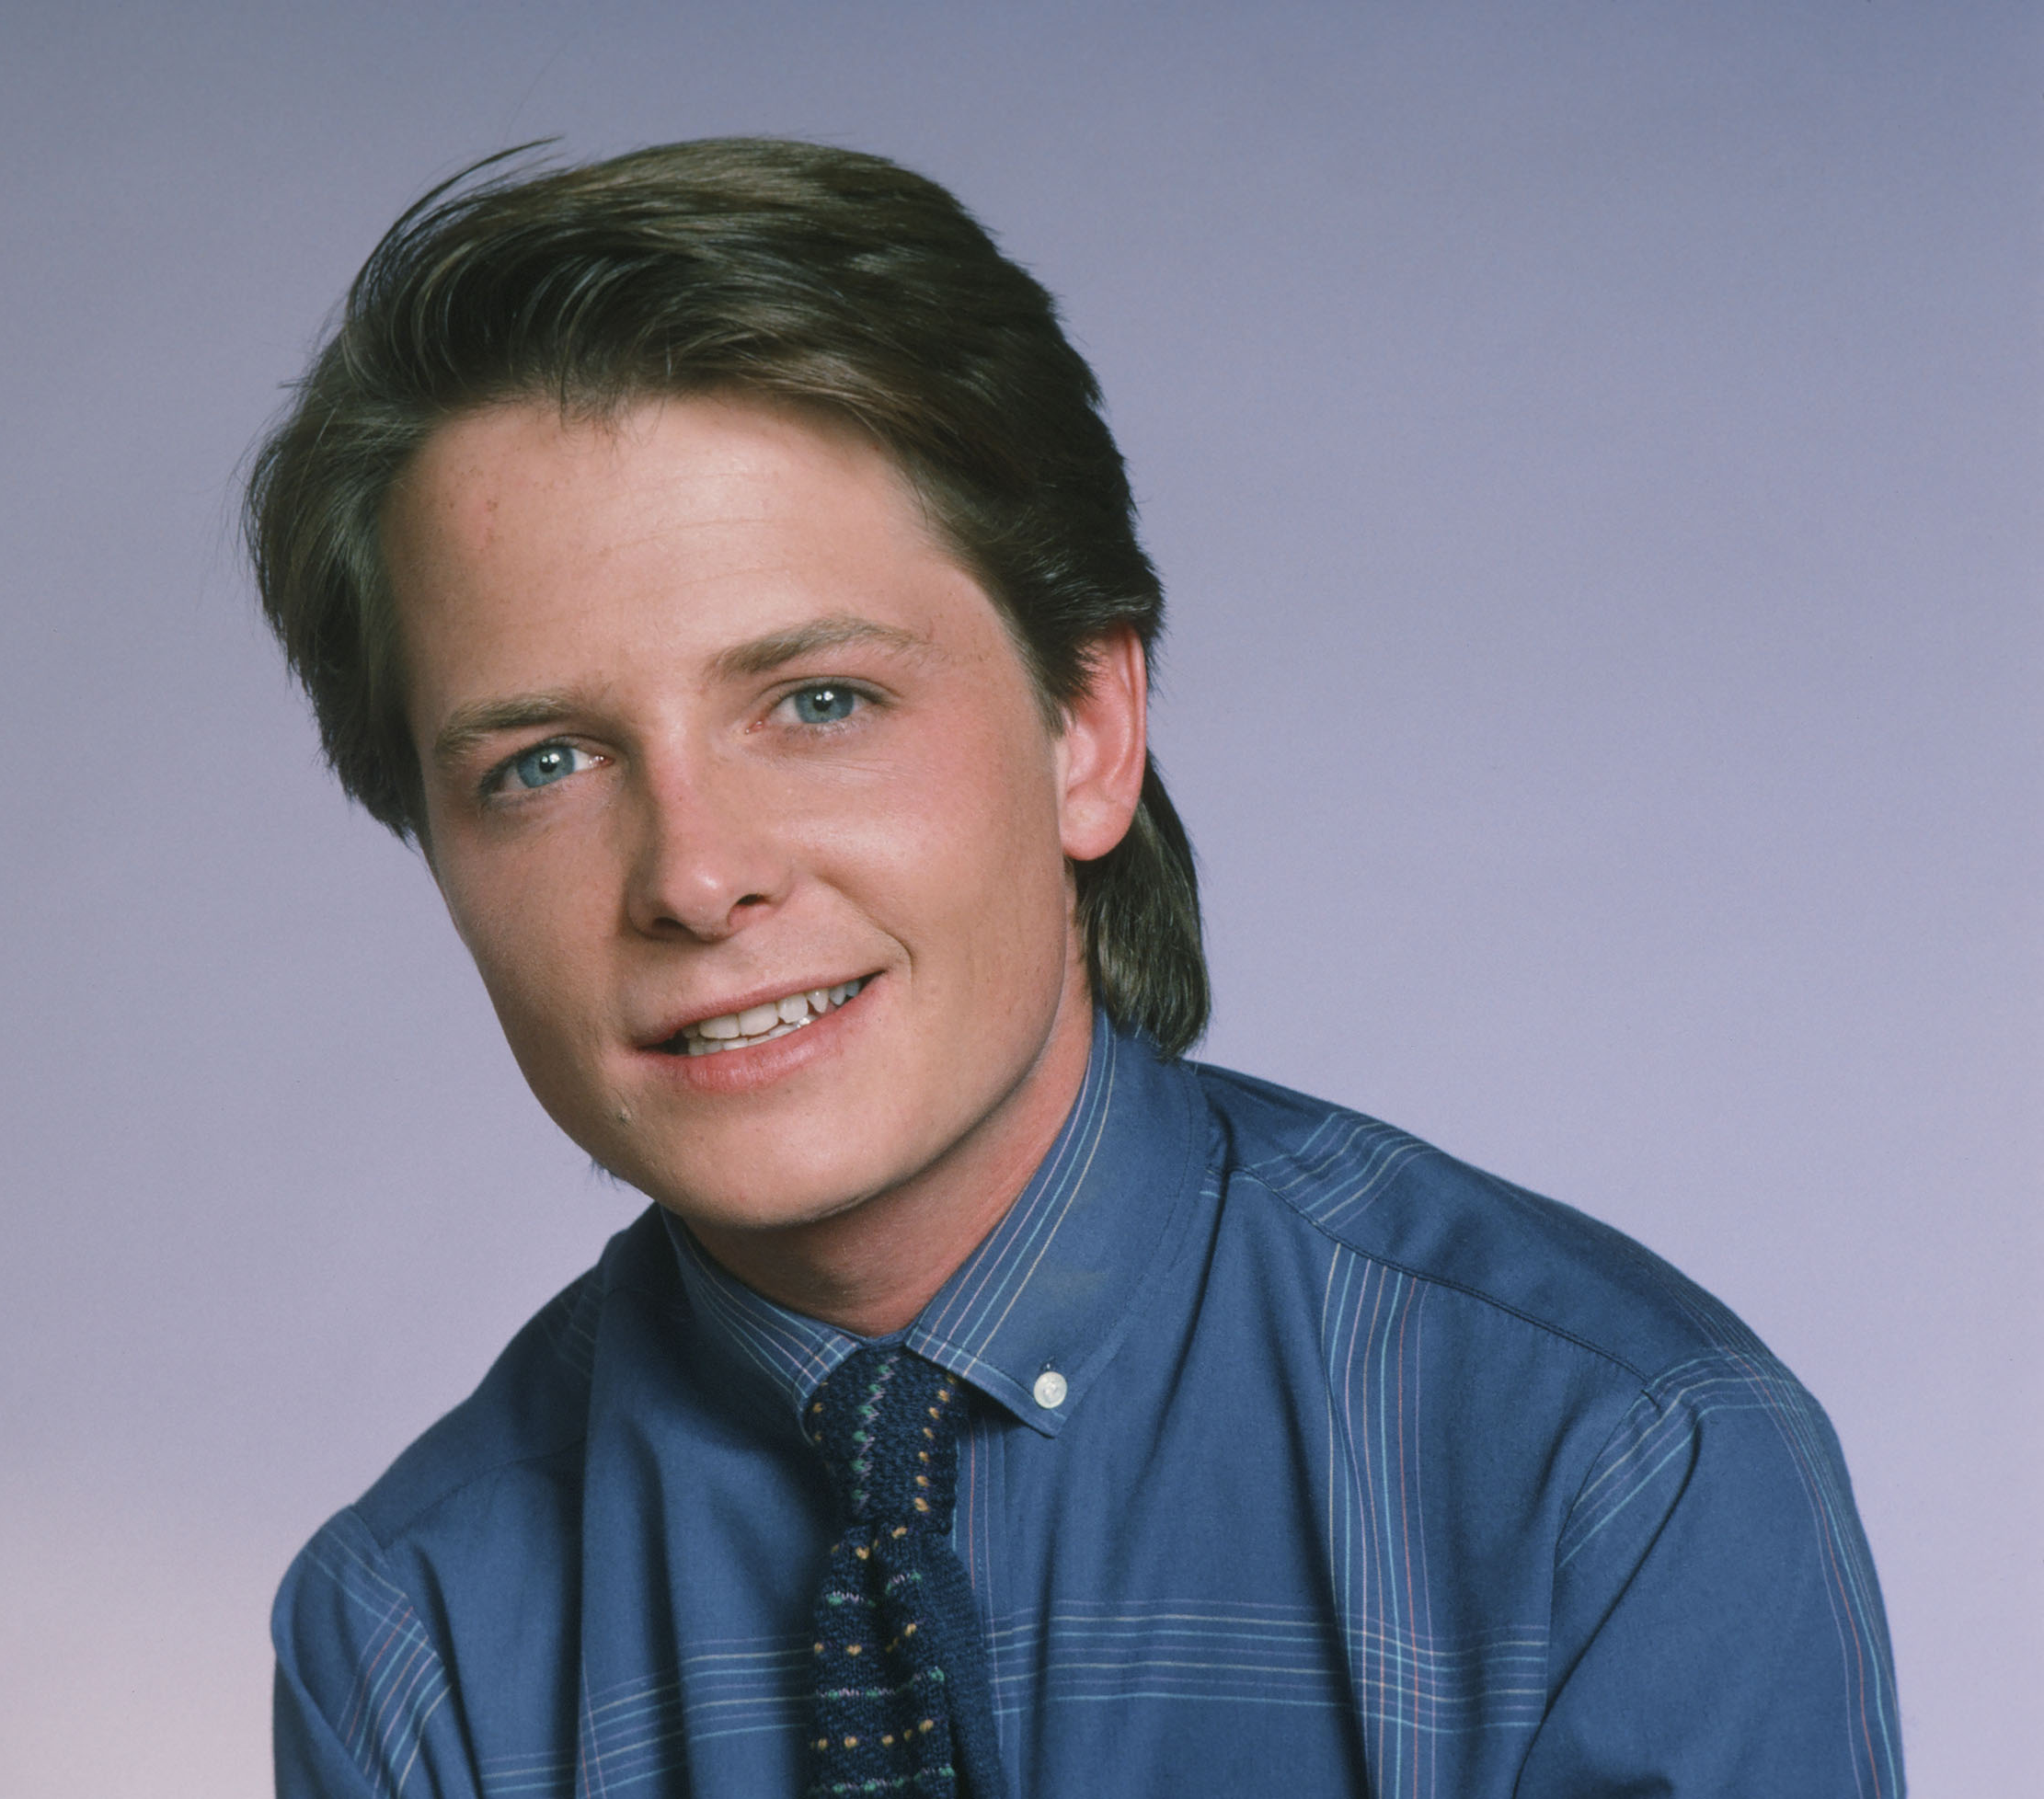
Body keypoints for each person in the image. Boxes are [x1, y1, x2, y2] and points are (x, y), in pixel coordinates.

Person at [245, 138, 1902, 1798]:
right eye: (543, 763)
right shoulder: (414, 1637)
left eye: (820, 701)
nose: (693, 874)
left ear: (1087, 733)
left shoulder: (1607, 1474)